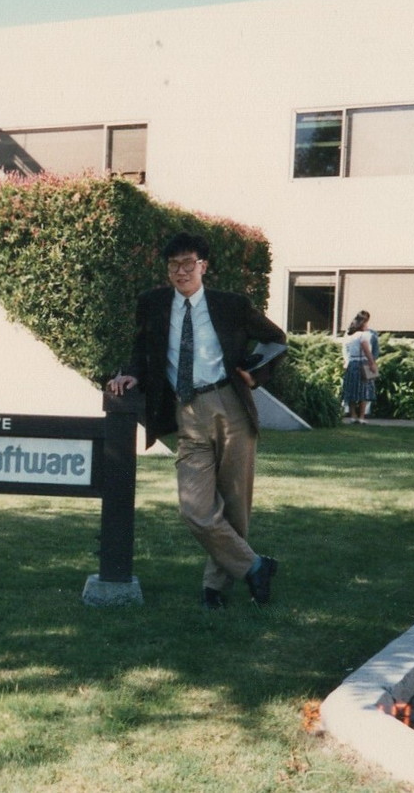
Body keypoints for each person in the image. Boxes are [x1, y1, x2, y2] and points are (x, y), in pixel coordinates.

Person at [106, 232, 287, 609]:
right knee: (195, 509)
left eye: (188, 264)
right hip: (186, 411)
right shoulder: (153, 304)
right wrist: (130, 374)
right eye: (173, 265)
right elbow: (142, 350)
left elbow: (276, 339)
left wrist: (255, 373)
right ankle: (254, 566)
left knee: (235, 505)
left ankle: (214, 589)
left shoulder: (231, 305)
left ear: (202, 266)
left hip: (230, 406)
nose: (180, 272)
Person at [341, 311, 378, 424]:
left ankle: (353, 415)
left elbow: (345, 349)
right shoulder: (363, 335)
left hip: (352, 362)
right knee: (365, 390)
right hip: (364, 362)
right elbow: (367, 350)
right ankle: (362, 416)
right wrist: (372, 363)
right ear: (363, 323)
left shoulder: (349, 335)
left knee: (352, 389)